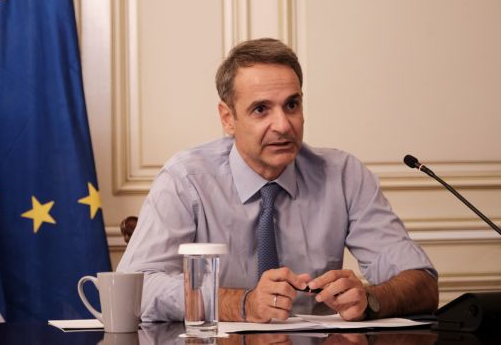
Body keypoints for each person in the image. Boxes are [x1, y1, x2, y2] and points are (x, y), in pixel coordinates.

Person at [117, 38, 438, 323]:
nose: (283, 125)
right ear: (228, 118)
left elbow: (422, 283)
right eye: (261, 109)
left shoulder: (343, 175)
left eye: (292, 105)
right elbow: (136, 288)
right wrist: (242, 303)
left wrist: (370, 299)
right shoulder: (186, 179)